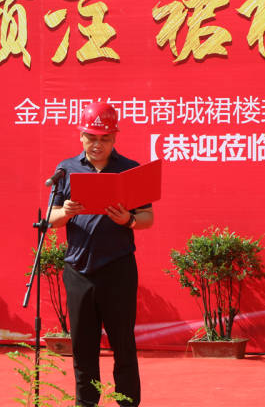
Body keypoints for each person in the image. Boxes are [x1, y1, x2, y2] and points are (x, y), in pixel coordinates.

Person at [48, 102, 154, 407]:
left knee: (123, 343)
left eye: (104, 139)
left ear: (114, 138)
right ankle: (86, 403)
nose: (97, 144)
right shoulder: (66, 169)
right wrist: (66, 212)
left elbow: (147, 217)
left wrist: (128, 220)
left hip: (118, 268)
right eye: (91, 138)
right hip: (78, 270)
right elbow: (51, 218)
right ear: (81, 136)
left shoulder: (131, 170)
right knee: (83, 345)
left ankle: (127, 402)